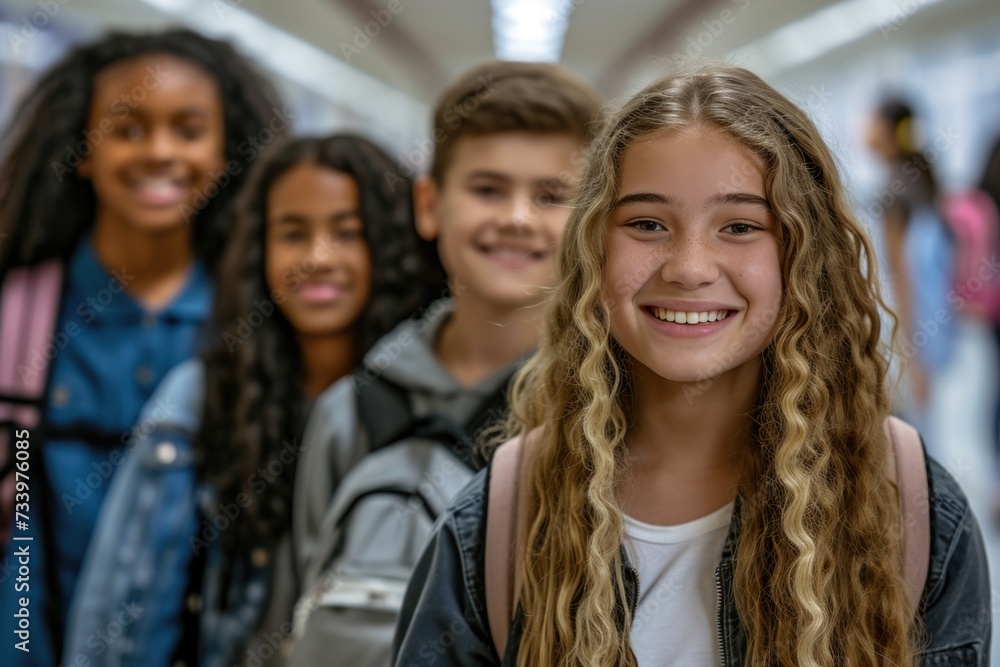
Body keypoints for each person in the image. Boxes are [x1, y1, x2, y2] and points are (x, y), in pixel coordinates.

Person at [393, 64, 991, 666]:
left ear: (803, 257)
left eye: (739, 226)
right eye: (647, 224)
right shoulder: (500, 523)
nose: (688, 267)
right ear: (594, 247)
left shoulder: (911, 517)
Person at [62, 135, 445, 667]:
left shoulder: (429, 405)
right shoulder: (201, 398)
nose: (317, 258)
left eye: (347, 232)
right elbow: (124, 608)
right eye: (292, 233)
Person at [288, 61, 603, 663]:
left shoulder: (599, 414)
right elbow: (305, 592)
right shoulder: (349, 412)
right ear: (429, 204)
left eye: (551, 196)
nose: (516, 217)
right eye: (487, 189)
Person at [0, 29, 285, 665]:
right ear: (81, 150)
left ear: (225, 151)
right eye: (127, 129)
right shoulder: (18, 314)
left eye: (188, 130)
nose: (160, 152)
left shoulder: (255, 326)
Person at [865, 98, 955, 424]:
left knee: (906, 425)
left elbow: (900, 275)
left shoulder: (892, 188)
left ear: (888, 131)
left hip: (905, 322)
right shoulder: (923, 180)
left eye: (870, 121)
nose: (862, 130)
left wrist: (909, 350)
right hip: (936, 321)